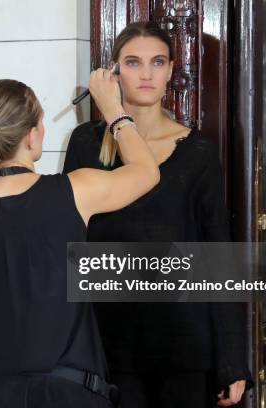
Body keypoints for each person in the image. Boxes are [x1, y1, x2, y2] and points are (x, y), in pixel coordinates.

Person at [0, 75, 160, 408]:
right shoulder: (75, 191)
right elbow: (147, 171)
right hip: (66, 396)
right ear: (33, 134)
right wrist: (113, 108)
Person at [63, 22, 253, 408]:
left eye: (157, 62)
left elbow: (219, 257)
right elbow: (69, 244)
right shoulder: (84, 143)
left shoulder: (198, 152)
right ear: (114, 72)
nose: (146, 73)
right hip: (107, 345)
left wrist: (232, 360)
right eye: (133, 62)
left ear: (170, 71)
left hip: (185, 344)